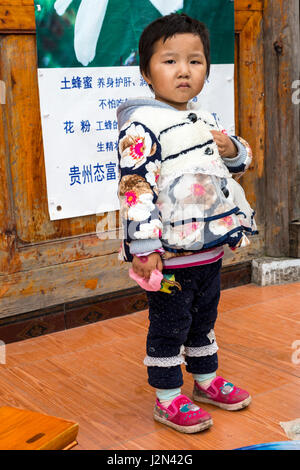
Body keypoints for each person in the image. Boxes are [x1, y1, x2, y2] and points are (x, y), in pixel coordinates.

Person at [116, 13, 257, 434]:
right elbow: (135, 189)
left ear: (206, 71)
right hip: (171, 256)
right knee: (169, 326)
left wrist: (231, 145)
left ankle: (206, 381)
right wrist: (144, 249)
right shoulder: (142, 126)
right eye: (170, 60)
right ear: (146, 72)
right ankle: (167, 399)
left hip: (209, 248)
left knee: (204, 320)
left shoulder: (204, 118)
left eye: (195, 61)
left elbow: (237, 163)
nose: (183, 71)